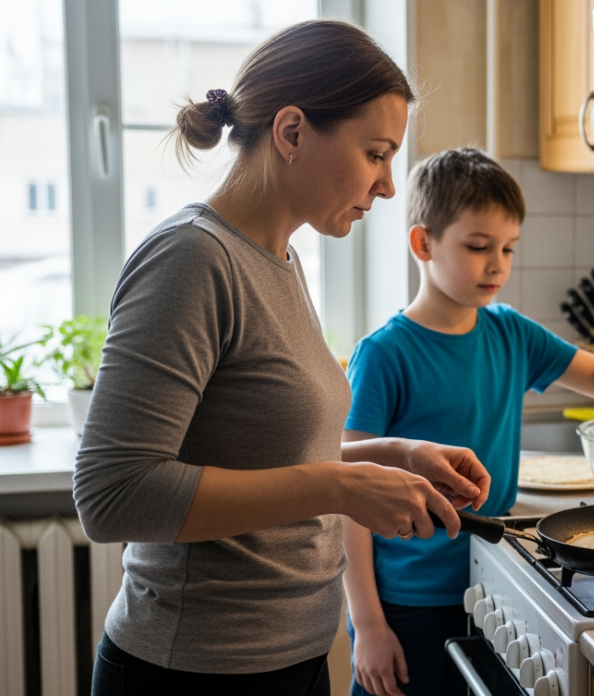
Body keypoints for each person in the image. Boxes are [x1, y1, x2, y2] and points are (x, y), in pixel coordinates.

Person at [73, 20, 490, 695]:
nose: (387, 185)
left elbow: (257, 455)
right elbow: (113, 494)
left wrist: (393, 455)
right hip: (190, 673)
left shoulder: (280, 258)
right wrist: (338, 486)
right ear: (292, 132)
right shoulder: (191, 258)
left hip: (286, 661)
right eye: (376, 153)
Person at [342, 148, 594, 696]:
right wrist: (368, 626)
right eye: (478, 247)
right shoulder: (384, 355)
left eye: (509, 248)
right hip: (409, 602)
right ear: (424, 243)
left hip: (498, 583)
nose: (497, 264)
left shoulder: (510, 332)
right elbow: (347, 498)